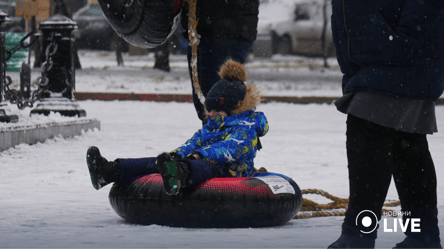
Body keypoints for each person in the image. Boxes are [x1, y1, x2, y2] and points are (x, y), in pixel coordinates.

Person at [327, 1, 444, 249]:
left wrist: (401, 40)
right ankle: (422, 236)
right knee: (408, 148)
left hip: (399, 58)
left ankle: (357, 234)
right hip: (385, 59)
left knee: (369, 134)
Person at [86, 60, 268, 195]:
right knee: (158, 162)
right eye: (209, 109)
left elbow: (229, 149)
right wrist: (176, 155)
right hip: (199, 161)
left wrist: (199, 155)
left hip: (229, 173)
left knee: (205, 167)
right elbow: (194, 142)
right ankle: (110, 171)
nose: (211, 114)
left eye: (217, 110)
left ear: (234, 109)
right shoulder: (211, 127)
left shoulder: (246, 130)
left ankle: (179, 175)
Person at [181, 0, 260, 122]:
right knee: (220, 98)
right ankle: (238, 133)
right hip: (225, 25)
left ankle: (230, 135)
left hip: (217, 27)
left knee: (215, 102)